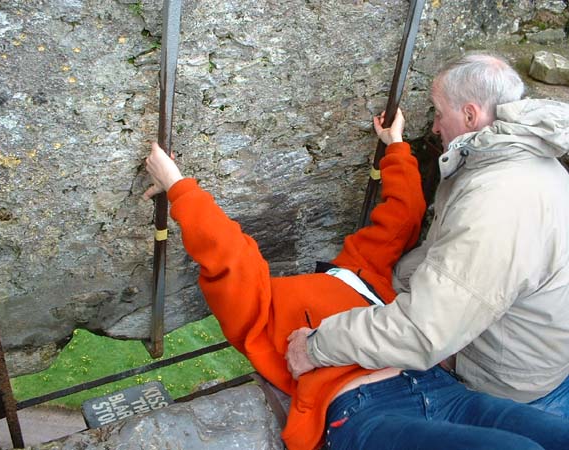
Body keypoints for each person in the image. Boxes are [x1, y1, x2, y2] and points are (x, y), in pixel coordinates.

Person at [144, 106, 569, 450]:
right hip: (363, 408)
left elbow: (401, 217)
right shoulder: (261, 308)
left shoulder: (360, 269)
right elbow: (229, 258)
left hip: (440, 386)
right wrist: (179, 187)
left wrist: (396, 146)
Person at [286, 53, 569, 420]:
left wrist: (316, 346)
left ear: (470, 115)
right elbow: (448, 255)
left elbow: (425, 330)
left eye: (438, 113)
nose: (435, 127)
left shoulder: (496, 203)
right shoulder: (523, 161)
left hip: (501, 382)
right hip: (529, 347)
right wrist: (393, 281)